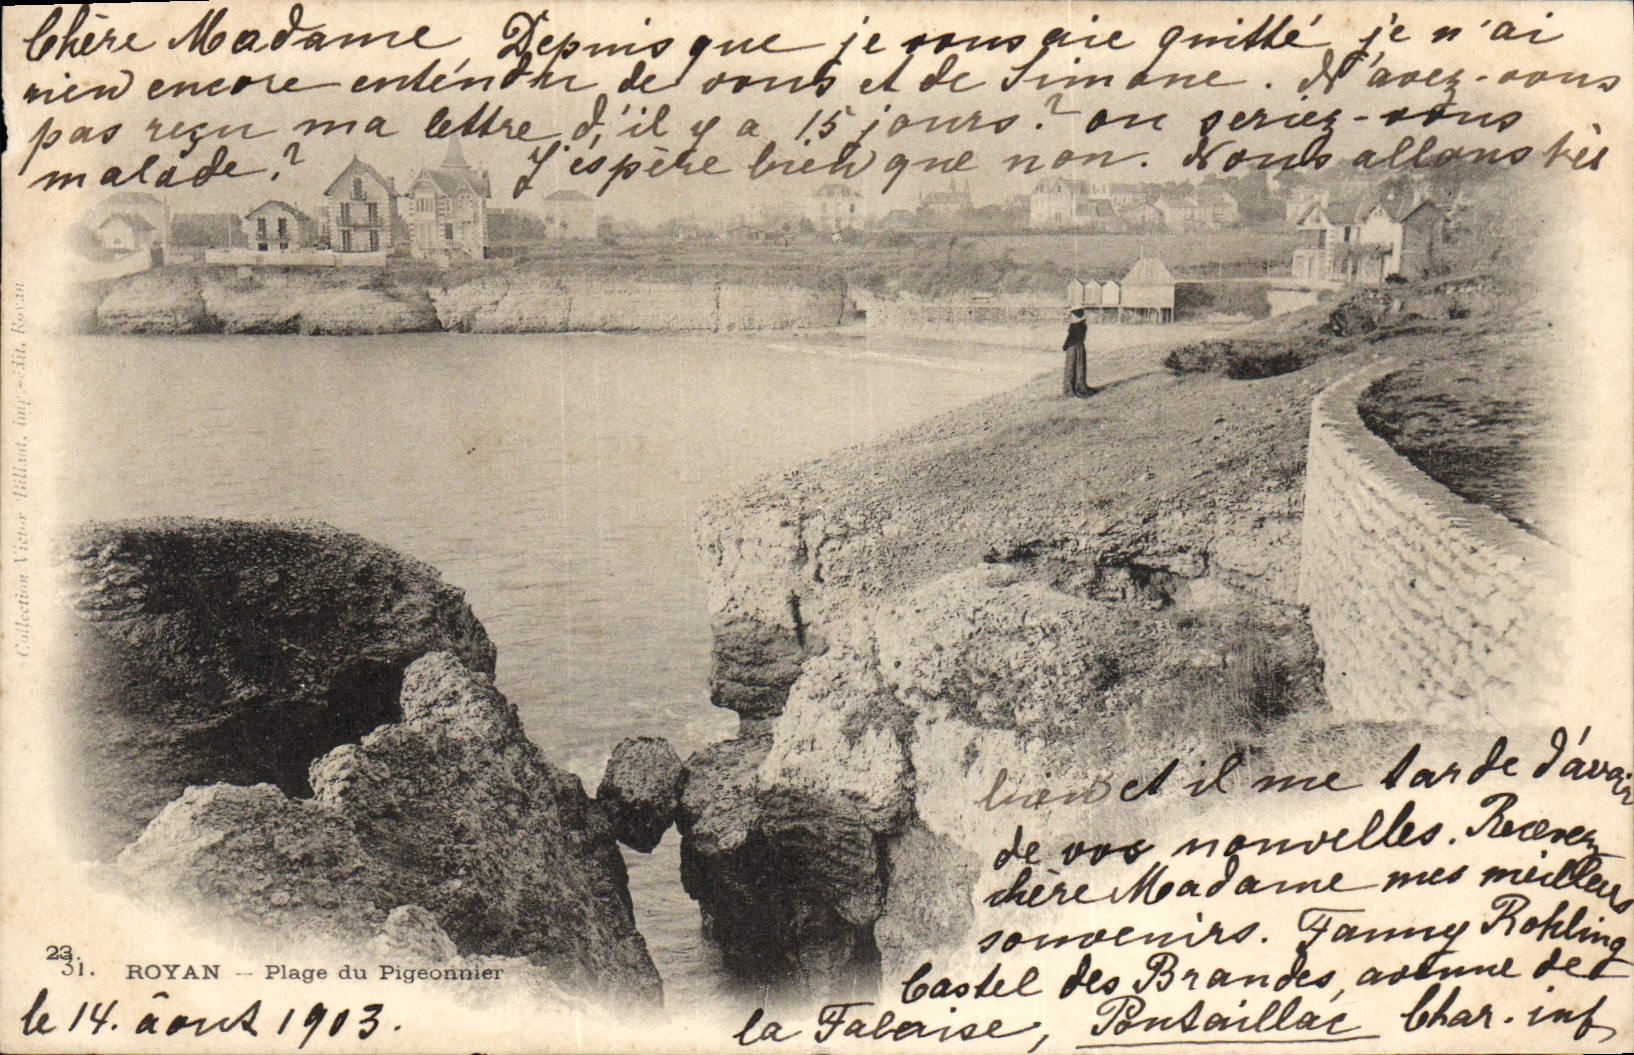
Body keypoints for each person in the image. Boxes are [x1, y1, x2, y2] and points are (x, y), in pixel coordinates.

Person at [1062, 308, 1092, 397]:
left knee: (1071, 367)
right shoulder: (1083, 325)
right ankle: (1080, 386)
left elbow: (1070, 338)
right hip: (1080, 347)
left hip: (1072, 348)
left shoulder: (1074, 326)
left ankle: (1070, 389)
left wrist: (1065, 346)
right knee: (1079, 366)